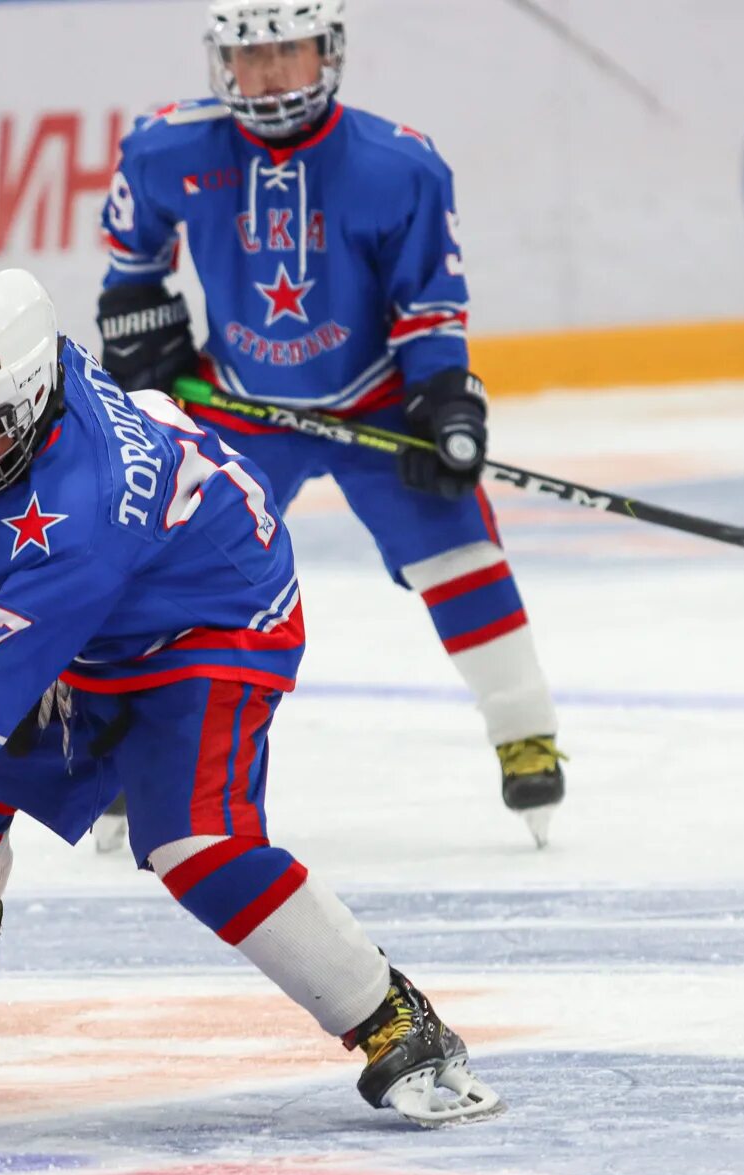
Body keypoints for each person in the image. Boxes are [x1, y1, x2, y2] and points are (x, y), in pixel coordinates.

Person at [0, 257, 502, 1129]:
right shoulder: (24, 376)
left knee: (196, 842)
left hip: (216, 627)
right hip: (116, 609)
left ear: (21, 408)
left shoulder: (86, 512)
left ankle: (397, 1018)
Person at [96, 0, 565, 847]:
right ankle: (128, 750)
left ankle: (522, 726)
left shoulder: (400, 165)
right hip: (238, 405)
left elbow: (428, 306)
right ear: (221, 62)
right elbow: (132, 266)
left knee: (459, 550)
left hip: (375, 402)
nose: (271, 73)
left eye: (291, 50)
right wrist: (142, 342)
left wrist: (441, 398)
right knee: (160, 570)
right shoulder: (166, 148)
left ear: (329, 52)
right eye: (251, 54)